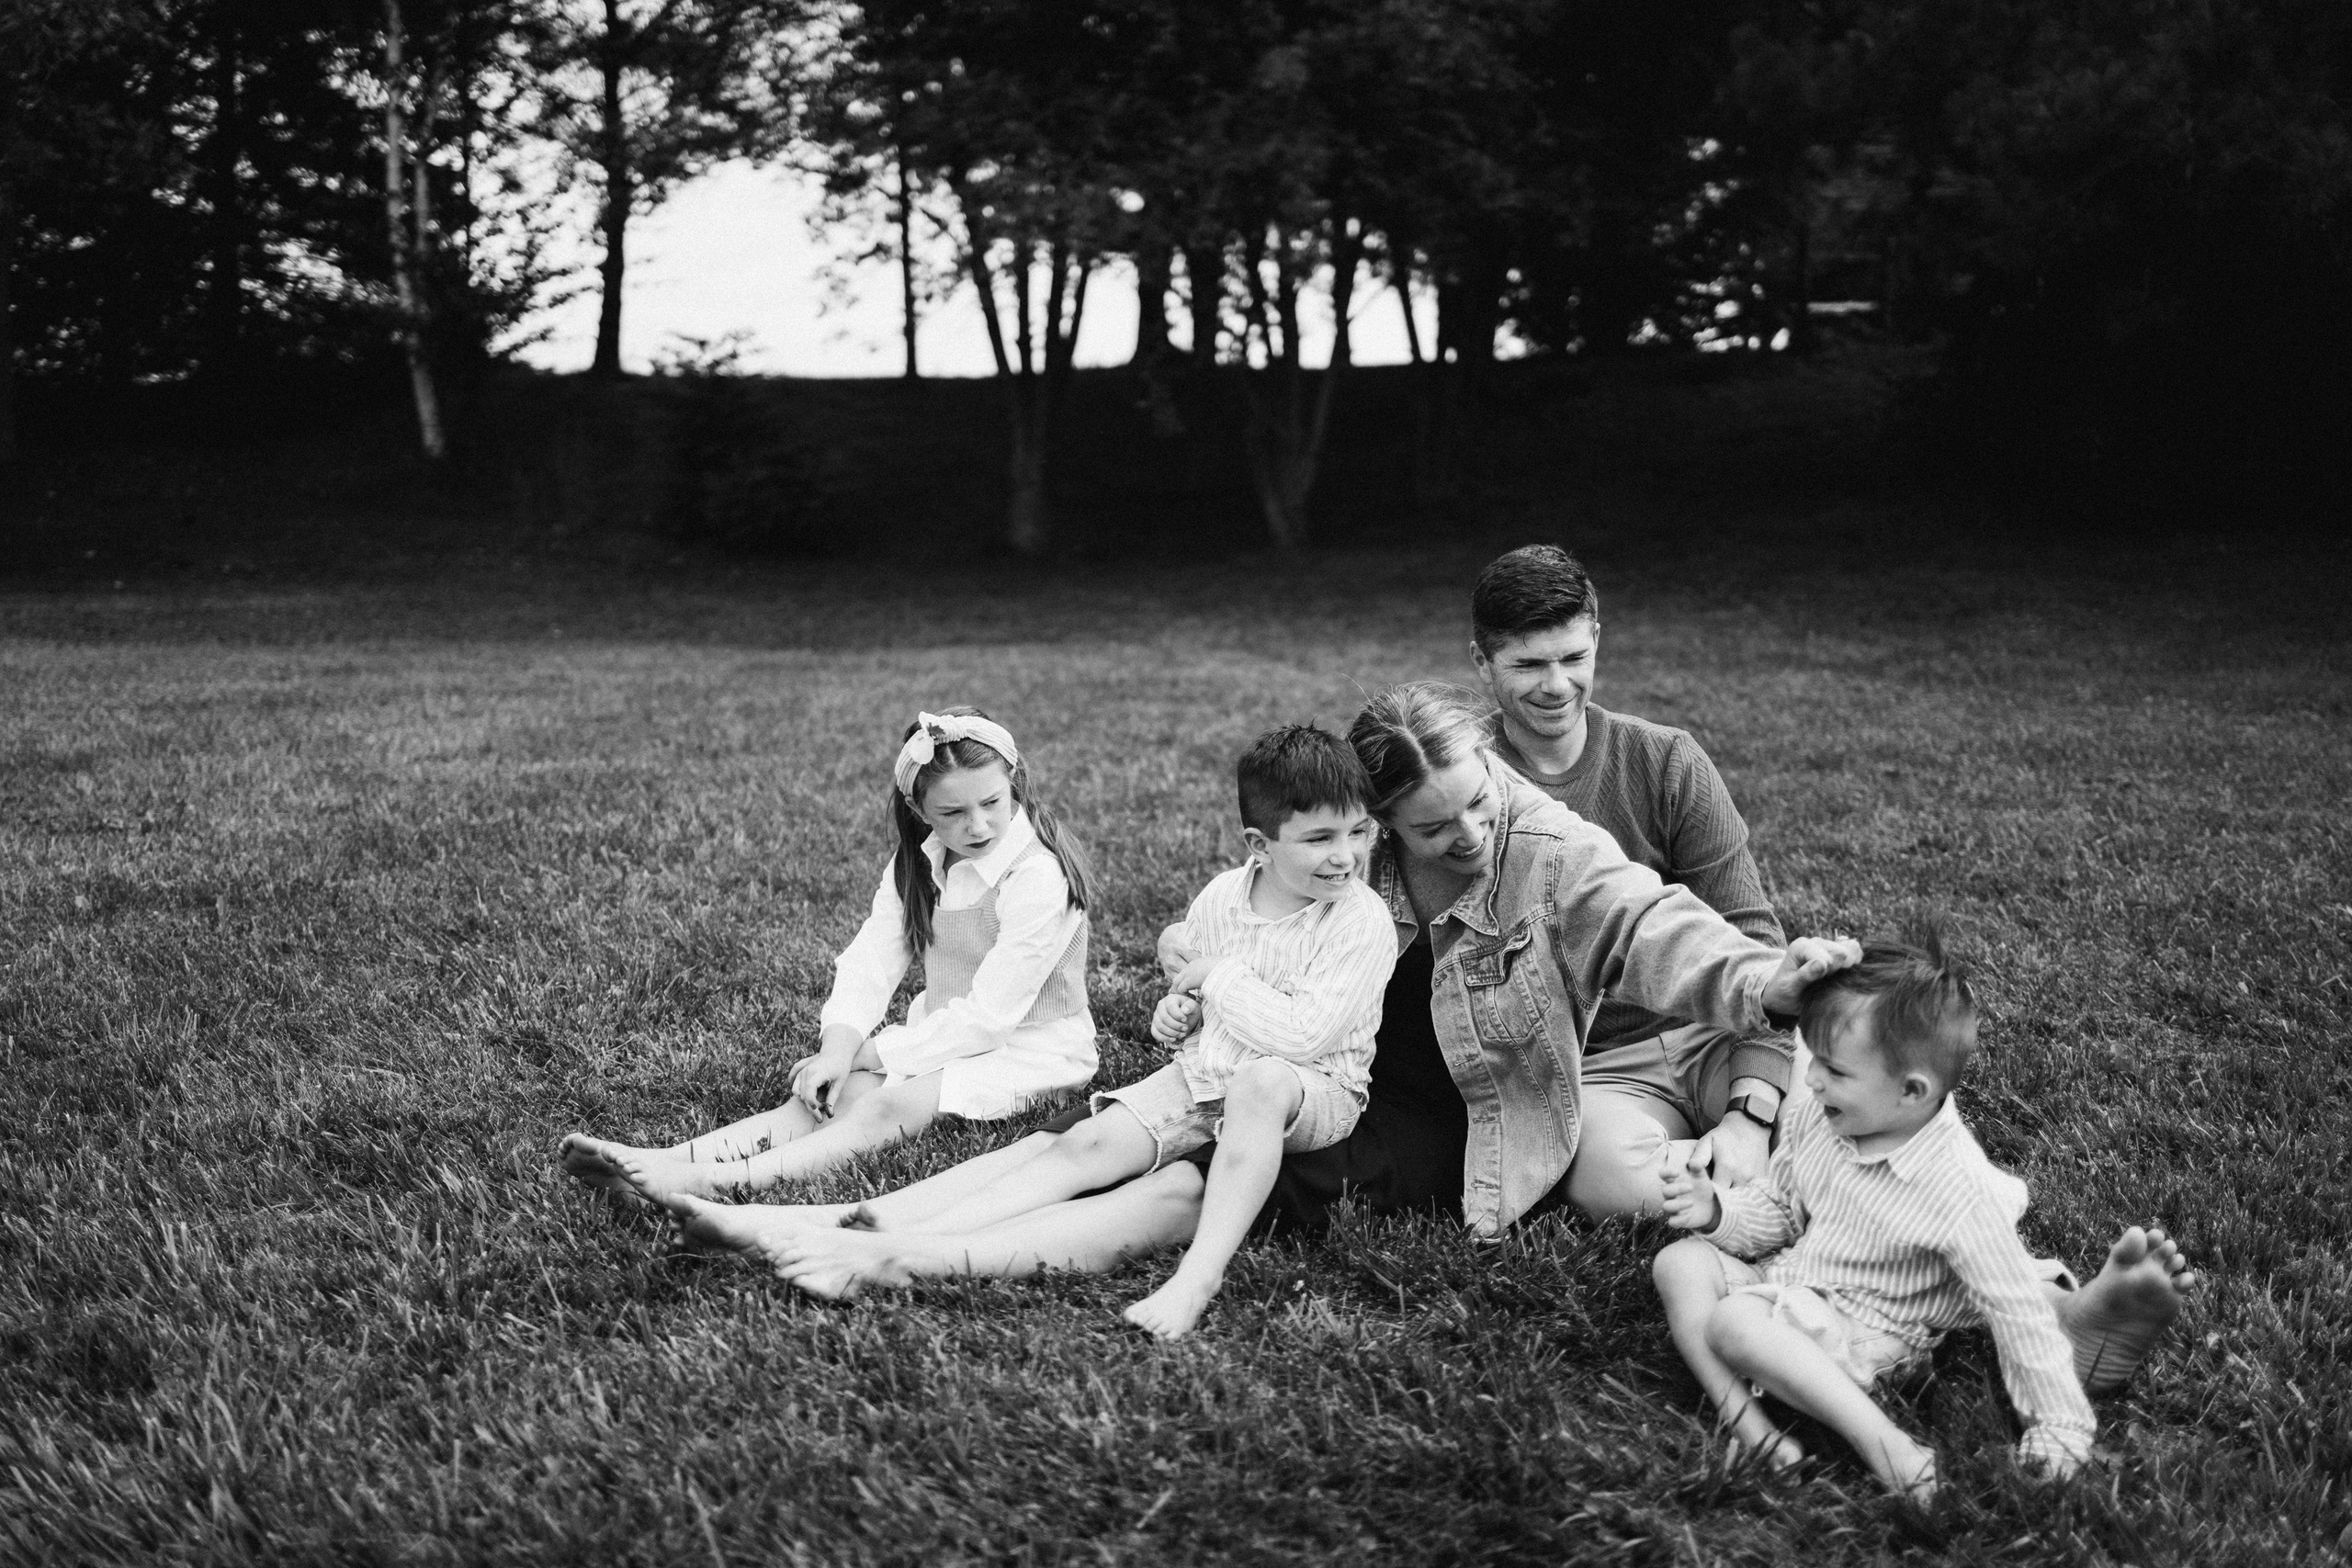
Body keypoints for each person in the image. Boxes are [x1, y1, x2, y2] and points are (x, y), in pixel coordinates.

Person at [669, 682, 1862, 1287]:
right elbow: (1256, 905)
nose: (1470, 834)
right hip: (1312, 1054)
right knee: (1087, 1142)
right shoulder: (1353, 851)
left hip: (1449, 1110)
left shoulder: (1542, 844)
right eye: (1434, 826)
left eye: (1480, 804)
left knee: (1183, 1189)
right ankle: (833, 1221)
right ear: (1378, 819)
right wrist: (1196, 960)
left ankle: (896, 1259)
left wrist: (1763, 980)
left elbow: (1647, 920)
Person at [845, 724, 1394, 1338]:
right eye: (1320, 838)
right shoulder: (1223, 897)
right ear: (1259, 844)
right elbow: (1199, 1001)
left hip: (1314, 1090)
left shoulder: (1361, 922)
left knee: (1261, 1083)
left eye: (1359, 831)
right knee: (1087, 1142)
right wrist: (1181, 1013)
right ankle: (918, 1233)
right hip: (1210, 1075)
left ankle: (1199, 1274)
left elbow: (1304, 1036)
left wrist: (1218, 977)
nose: (1346, 855)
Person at [1652, 929, 2193, 1498]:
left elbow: (2018, 1315)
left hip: (1871, 1327)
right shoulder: (1821, 1115)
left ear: (1911, 1091)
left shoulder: (1957, 1191)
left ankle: (1891, 1449)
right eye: (1813, 1058)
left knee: (1734, 1322)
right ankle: (1753, 1430)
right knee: (1679, 1262)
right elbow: (1784, 1209)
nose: (1809, 1080)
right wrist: (1718, 1211)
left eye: (1833, 1070)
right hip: (1798, 1279)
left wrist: (2060, 1428)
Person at [558, 707, 1096, 1200]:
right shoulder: (920, 860)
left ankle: (712, 1182)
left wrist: (875, 1053)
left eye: (992, 803)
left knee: (888, 1105)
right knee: (832, 1096)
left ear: (1013, 782)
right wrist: (839, 1050)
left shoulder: (1037, 876)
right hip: (948, 1037)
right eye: (952, 812)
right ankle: (664, 1162)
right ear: (918, 809)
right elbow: (872, 959)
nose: (977, 826)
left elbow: (989, 1019)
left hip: (1032, 1051)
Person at [1466, 544, 1792, 1213]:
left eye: (1573, 657)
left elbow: (1755, 940)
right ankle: (1778, 1203)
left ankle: (1756, 1180)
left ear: (1596, 639)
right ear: (1481, 662)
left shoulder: (1666, 759)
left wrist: (1750, 1116)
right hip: (1594, 1071)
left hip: (1712, 1027)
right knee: (1611, 1182)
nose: (1557, 684)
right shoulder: (1466, 786)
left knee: (1853, 1092)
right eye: (1527, 664)